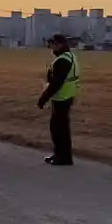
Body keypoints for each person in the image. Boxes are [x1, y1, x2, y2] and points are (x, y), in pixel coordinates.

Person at [37, 33, 80, 166]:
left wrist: (42, 99)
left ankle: (64, 157)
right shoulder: (69, 56)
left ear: (59, 44)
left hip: (62, 97)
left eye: (52, 44)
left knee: (59, 128)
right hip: (66, 96)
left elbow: (56, 83)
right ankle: (60, 155)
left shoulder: (63, 60)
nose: (50, 47)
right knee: (59, 127)